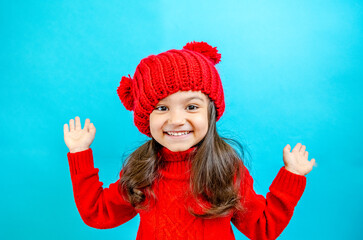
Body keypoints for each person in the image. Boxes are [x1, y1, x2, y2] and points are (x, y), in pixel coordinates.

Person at [63, 41, 316, 240]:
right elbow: (98, 213)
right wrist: (79, 153)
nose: (176, 120)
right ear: (145, 117)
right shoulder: (141, 170)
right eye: (161, 108)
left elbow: (262, 228)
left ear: (211, 112)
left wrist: (291, 176)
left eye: (191, 107)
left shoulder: (226, 169)